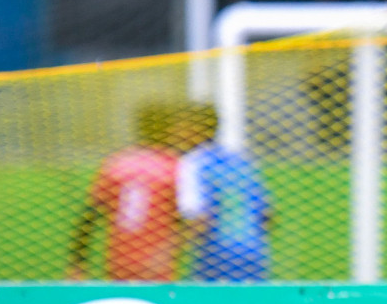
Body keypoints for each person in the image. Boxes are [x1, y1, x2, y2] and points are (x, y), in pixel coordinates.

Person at [68, 103, 183, 282]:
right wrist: (168, 251)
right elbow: (185, 222)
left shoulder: (116, 163)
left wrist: (77, 263)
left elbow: (89, 216)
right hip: (157, 265)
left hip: (119, 261)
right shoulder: (174, 165)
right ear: (169, 129)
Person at [176, 105, 274, 281]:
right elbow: (267, 214)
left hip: (216, 254)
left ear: (195, 129)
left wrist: (176, 248)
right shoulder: (241, 161)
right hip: (253, 253)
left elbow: (198, 217)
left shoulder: (195, 163)